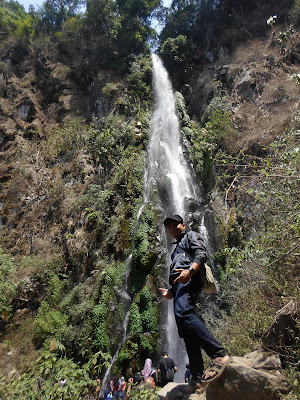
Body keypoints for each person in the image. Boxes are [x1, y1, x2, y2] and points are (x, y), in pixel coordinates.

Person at [159, 214, 231, 393]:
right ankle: (197, 377)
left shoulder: (191, 236)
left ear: (183, 225)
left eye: (175, 224)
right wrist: (171, 291)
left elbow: (201, 253)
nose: (172, 228)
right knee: (185, 329)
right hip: (179, 286)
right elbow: (178, 272)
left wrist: (190, 272)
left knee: (184, 314)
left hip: (189, 280)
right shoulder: (175, 250)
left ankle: (219, 354)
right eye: (169, 227)